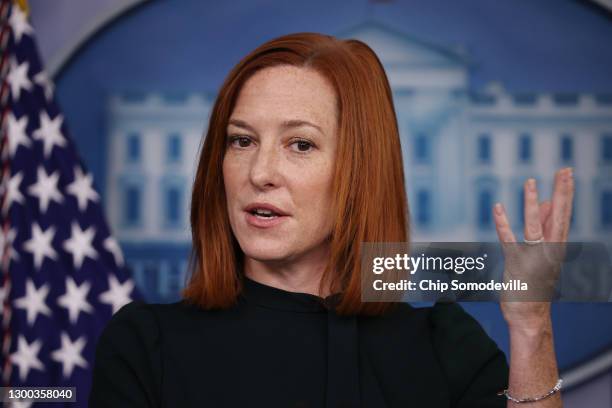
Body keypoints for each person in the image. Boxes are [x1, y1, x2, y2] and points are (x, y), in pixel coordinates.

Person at [89, 32, 573, 407]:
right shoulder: (145, 345)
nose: (260, 173)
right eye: (242, 140)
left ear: (359, 171)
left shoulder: (443, 346)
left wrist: (532, 329)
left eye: (300, 144)